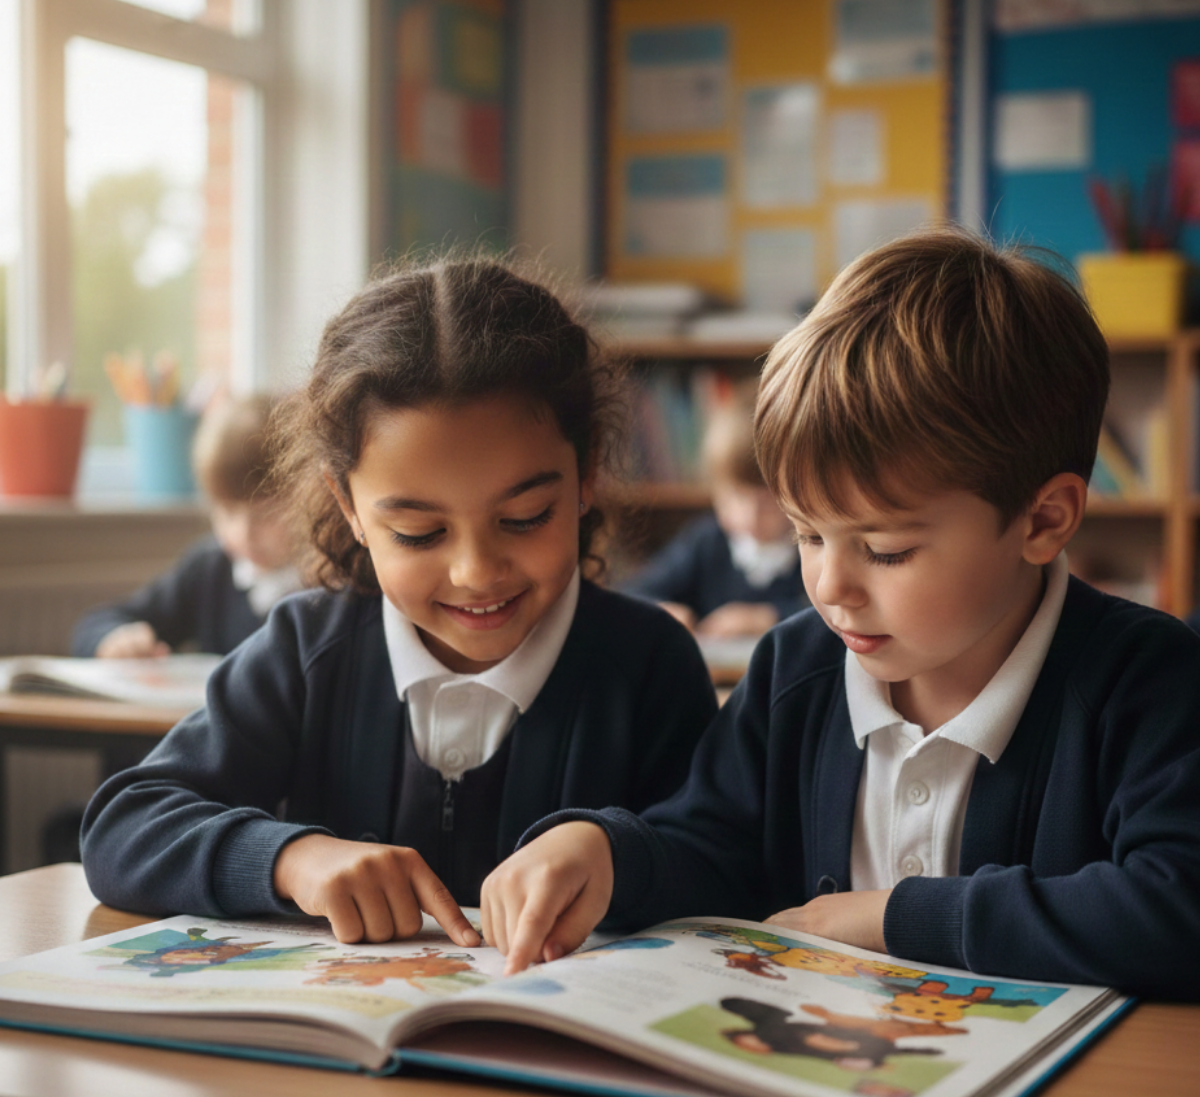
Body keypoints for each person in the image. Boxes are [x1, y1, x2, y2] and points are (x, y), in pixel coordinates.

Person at [478, 226, 1200, 1000]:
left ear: (1044, 521)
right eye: (807, 534)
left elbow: (1175, 907)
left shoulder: (1148, 679)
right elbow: (712, 842)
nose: (830, 586)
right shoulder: (797, 669)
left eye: (885, 550)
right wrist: (604, 850)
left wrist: (888, 921)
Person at [81, 256, 718, 948]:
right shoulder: (307, 649)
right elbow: (124, 825)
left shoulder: (649, 664)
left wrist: (613, 852)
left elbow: (722, 855)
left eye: (526, 516)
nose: (476, 573)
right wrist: (291, 860)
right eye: (420, 532)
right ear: (348, 506)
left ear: (587, 472)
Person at [71, 394, 302, 658]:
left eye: (265, 515)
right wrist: (115, 640)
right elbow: (97, 622)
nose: (243, 533)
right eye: (227, 512)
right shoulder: (209, 569)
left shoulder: (328, 581)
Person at [623, 390, 808, 637]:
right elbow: (632, 593)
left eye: (767, 502)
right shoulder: (706, 541)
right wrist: (662, 611)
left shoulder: (811, 545)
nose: (749, 517)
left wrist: (769, 617)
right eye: (735, 497)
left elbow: (832, 614)